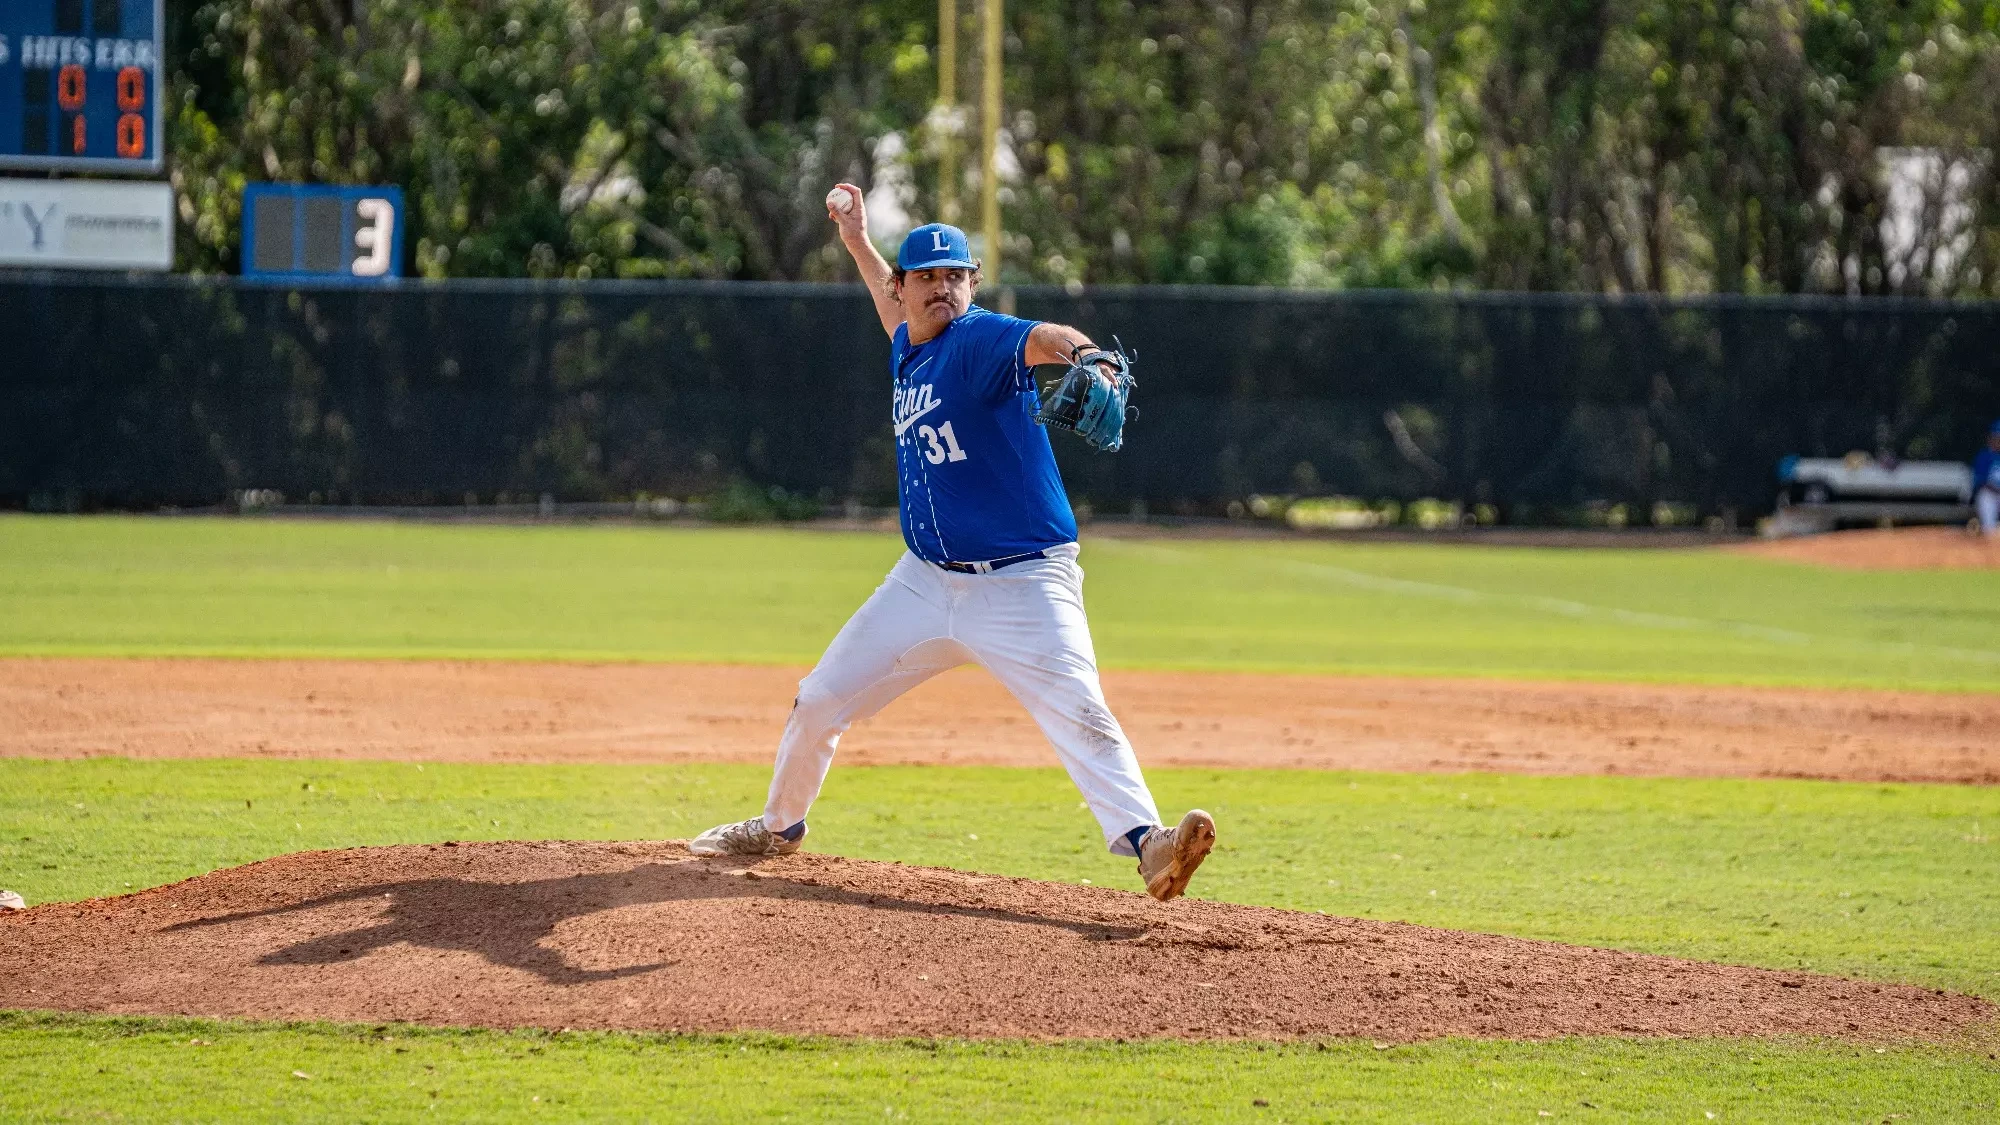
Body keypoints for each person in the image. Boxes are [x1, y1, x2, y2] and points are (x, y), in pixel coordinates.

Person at [689, 184, 1216, 902]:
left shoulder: (979, 340)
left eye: (956, 275)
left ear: (971, 285)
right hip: (924, 582)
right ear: (907, 288)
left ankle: (1149, 844)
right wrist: (855, 239)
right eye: (928, 277)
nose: (942, 287)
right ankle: (779, 827)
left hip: (1025, 582)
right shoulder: (910, 341)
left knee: (1080, 707)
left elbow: (1043, 337)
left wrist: (1092, 357)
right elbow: (885, 300)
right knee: (818, 701)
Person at [1975, 420, 2000, 536]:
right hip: (1990, 493)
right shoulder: (1984, 456)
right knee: (1985, 498)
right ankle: (1989, 534)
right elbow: (1982, 481)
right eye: (1997, 437)